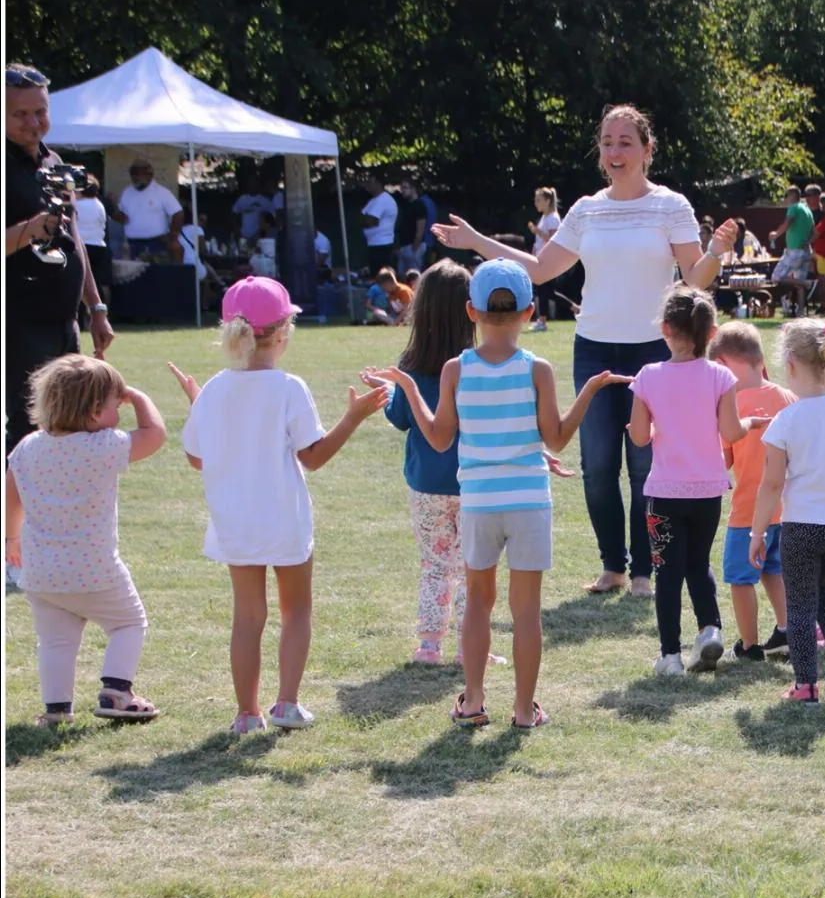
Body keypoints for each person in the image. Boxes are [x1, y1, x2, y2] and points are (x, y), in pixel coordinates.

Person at [430, 103, 735, 600]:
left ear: (646, 150)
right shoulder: (586, 209)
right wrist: (474, 241)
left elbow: (692, 280)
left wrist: (716, 253)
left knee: (644, 466)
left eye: (626, 143)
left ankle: (644, 571)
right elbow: (539, 269)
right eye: (608, 142)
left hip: (653, 351)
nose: (615, 152)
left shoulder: (670, 206)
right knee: (596, 466)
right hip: (593, 347)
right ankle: (613, 566)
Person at [363, 260, 629, 728]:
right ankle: (525, 710)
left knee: (478, 605)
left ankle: (472, 702)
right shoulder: (537, 369)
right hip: (528, 502)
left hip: (480, 502)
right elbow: (558, 439)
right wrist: (588, 391)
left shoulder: (455, 370)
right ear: (529, 311)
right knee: (525, 612)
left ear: (473, 311)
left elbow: (440, 438)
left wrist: (406, 385)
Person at [169, 277, 390, 734]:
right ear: (284, 332)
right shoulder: (289, 386)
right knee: (296, 612)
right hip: (285, 521)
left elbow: (196, 458)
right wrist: (353, 417)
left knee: (247, 618)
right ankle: (286, 704)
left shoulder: (212, 389)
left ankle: (246, 714)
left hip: (235, 522)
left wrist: (199, 406)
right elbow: (313, 458)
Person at [4, 355, 166, 725]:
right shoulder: (103, 446)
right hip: (94, 569)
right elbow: (154, 435)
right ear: (95, 412)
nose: (120, 412)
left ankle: (56, 710)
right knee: (129, 623)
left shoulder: (28, 447)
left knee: (55, 643)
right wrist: (138, 397)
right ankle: (117, 691)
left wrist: (11, 537)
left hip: (41, 573)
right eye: (115, 404)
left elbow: (10, 494)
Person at [629, 285, 763, 675]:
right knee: (698, 563)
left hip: (664, 492)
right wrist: (750, 422)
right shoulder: (720, 376)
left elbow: (638, 437)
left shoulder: (648, 377)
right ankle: (710, 629)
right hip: (708, 490)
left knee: (667, 572)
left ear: (666, 328)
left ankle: (669, 654)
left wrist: (651, 429)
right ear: (711, 333)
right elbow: (731, 431)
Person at [750, 319, 825, 704]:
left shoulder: (787, 419)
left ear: (789, 366)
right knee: (824, 590)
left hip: (802, 527)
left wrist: (757, 533)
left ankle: (805, 685)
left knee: (800, 605)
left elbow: (771, 484)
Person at [5, 62, 114, 463]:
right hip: (18, 322)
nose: (34, 122)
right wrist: (30, 229)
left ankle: (51, 518)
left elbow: (74, 240)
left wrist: (96, 307)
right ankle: (14, 525)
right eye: (20, 114)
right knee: (25, 431)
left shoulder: (54, 164)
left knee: (65, 422)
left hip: (64, 321)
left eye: (41, 112)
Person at [377, 261, 477, 665]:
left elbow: (401, 418)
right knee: (474, 568)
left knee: (436, 566)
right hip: (473, 481)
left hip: (426, 484)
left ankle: (430, 644)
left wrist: (389, 392)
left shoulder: (412, 363)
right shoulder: (476, 364)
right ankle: (471, 645)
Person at [707, 321, 794, 662]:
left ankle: (748, 644)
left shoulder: (732, 405)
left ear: (726, 365)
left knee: (741, 579)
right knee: (775, 571)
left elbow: (723, 458)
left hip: (748, 511)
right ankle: (787, 631)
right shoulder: (788, 397)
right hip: (785, 509)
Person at [110, 159, 183, 261]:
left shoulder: (162, 193)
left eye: (138, 175)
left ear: (149, 175)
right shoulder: (127, 192)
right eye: (133, 175)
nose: (135, 178)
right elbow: (123, 218)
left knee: (156, 275)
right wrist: (113, 207)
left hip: (157, 243)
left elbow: (177, 213)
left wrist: (173, 236)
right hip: (133, 244)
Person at [769, 184, 815, 316]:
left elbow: (787, 223)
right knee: (798, 285)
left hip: (794, 251)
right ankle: (800, 313)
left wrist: (775, 234)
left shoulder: (793, 208)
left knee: (776, 277)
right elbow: (815, 232)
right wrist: (807, 243)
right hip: (806, 251)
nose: (785, 199)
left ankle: (806, 283)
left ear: (793, 195)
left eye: (786, 196)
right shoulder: (807, 210)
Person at [74, 173, 111, 313]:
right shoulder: (99, 204)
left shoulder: (77, 205)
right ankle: (104, 313)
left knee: (80, 282)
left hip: (83, 246)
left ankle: (82, 316)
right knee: (100, 283)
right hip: (99, 245)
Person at [526, 187, 561, 332]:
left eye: (538, 200)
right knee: (543, 291)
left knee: (544, 292)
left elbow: (554, 240)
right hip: (540, 258)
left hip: (548, 259)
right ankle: (542, 320)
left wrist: (537, 232)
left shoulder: (553, 218)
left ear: (547, 201)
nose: (536, 203)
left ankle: (542, 322)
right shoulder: (545, 217)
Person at [395, 177, 436, 275]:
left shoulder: (419, 205)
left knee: (413, 276)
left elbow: (420, 229)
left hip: (413, 246)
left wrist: (415, 248)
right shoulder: (407, 205)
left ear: (413, 189)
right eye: (402, 188)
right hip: (404, 246)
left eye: (405, 188)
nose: (402, 191)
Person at [360, 174, 398, 275]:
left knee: (380, 276)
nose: (368, 185)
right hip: (373, 243)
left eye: (370, 183)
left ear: (378, 184)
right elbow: (361, 218)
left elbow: (371, 221)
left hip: (382, 244)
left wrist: (365, 220)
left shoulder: (384, 199)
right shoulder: (373, 200)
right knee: (373, 274)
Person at [231, 174, 270, 245]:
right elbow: (234, 214)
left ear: (258, 184)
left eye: (254, 182)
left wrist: (260, 235)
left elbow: (270, 221)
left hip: (258, 237)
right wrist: (237, 231)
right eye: (250, 183)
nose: (252, 185)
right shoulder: (242, 199)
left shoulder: (264, 201)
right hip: (243, 236)